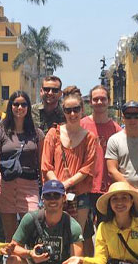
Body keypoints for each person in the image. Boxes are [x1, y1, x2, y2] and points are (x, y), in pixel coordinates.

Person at [80, 85, 121, 264]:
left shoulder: (117, 129)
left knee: (106, 232)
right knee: (86, 233)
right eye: (95, 99)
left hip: (108, 188)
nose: (99, 102)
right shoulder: (81, 125)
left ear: (108, 100)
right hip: (86, 187)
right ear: (90, 101)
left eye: (102, 99)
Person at [41, 92, 98, 233]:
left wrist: (66, 184)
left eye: (76, 109)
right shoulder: (53, 134)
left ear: (82, 109)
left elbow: (87, 168)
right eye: (68, 110)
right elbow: (46, 165)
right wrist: (59, 187)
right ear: (63, 111)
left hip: (79, 195)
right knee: (53, 235)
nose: (72, 114)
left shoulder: (90, 138)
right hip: (54, 194)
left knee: (76, 236)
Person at [0, 91, 44, 242]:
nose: (19, 107)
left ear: (28, 107)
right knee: (11, 238)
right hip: (5, 185)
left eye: (23, 104)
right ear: (10, 107)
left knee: (33, 231)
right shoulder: (1, 132)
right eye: (16, 104)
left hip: (29, 186)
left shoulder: (36, 133)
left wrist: (45, 190)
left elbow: (41, 164)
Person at [106, 101, 138, 190]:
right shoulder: (114, 140)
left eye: (136, 115)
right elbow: (112, 170)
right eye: (128, 115)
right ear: (123, 118)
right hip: (123, 195)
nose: (132, 119)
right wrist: (132, 191)